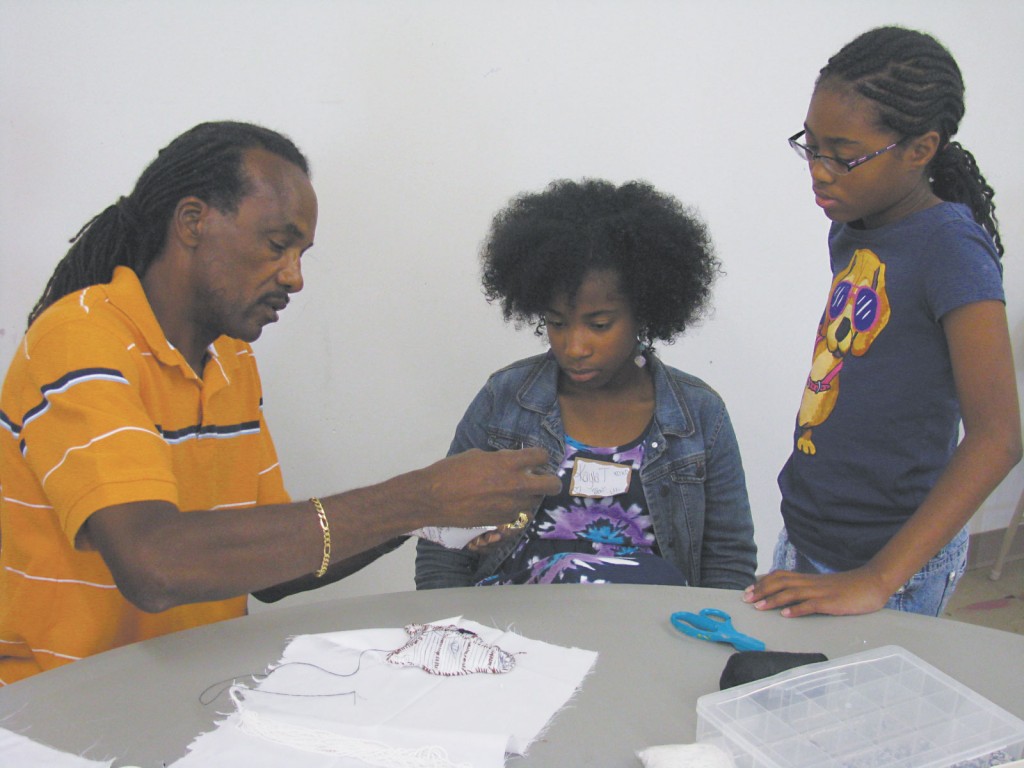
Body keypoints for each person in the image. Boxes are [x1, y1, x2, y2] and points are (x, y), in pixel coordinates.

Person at [0, 121, 560, 684]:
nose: (294, 277)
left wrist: (431, 514)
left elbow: (271, 572)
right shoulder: (79, 337)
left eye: (301, 253)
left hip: (181, 692)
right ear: (193, 221)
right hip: (57, 712)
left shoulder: (230, 361)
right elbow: (155, 565)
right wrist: (418, 496)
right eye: (276, 245)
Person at [745, 27, 1022, 618]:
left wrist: (876, 578)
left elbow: (999, 437)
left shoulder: (952, 250)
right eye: (811, 146)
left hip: (892, 561)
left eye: (844, 155)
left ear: (920, 149)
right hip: (809, 533)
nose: (820, 171)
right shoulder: (852, 226)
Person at [415, 179, 757, 590]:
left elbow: (728, 562)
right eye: (556, 323)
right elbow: (441, 544)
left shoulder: (699, 415)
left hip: (647, 633)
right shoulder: (504, 400)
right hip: (510, 636)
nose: (574, 346)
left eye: (599, 325)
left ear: (644, 313)